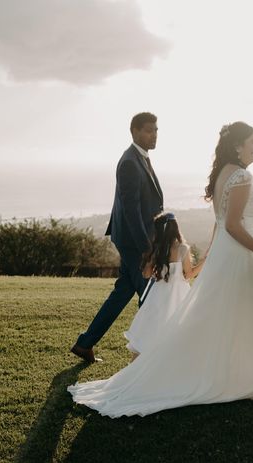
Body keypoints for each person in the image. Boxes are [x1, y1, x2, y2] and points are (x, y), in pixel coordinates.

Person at [68, 121, 253, 417]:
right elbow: (231, 224)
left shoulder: (222, 174)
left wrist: (212, 256)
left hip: (228, 254)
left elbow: (218, 226)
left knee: (236, 317)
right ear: (238, 145)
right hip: (240, 256)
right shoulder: (241, 175)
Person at [70, 112, 163, 363]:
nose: (154, 135)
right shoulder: (130, 162)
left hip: (136, 240)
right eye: (148, 130)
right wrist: (146, 248)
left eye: (156, 130)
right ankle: (145, 357)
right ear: (134, 131)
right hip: (135, 242)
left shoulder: (140, 158)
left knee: (123, 292)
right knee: (150, 296)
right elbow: (131, 210)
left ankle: (85, 343)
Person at [124, 212, 206, 361]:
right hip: (178, 294)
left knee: (152, 327)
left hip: (159, 294)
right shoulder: (182, 248)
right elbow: (188, 274)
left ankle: (137, 365)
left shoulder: (156, 249)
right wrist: (205, 261)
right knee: (177, 326)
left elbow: (146, 275)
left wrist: (149, 259)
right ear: (176, 229)